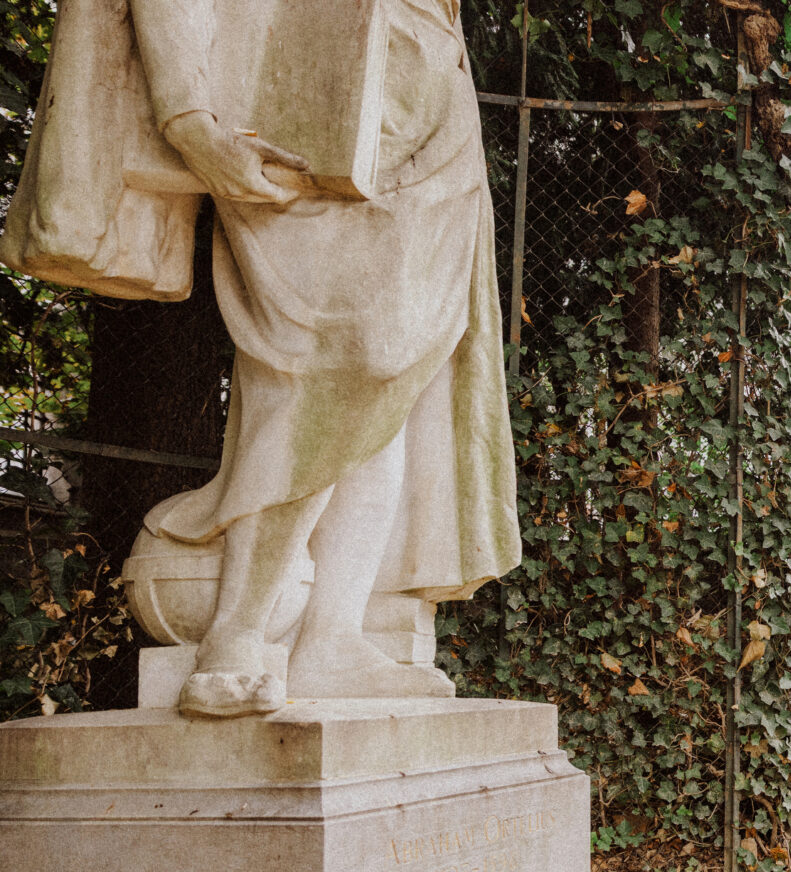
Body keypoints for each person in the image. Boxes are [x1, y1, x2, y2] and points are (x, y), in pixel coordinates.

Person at [1, 0, 521, 717]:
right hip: (300, 109)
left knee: (394, 381)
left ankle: (332, 636)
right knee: (327, 370)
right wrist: (188, 117)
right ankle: (237, 631)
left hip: (433, 110)